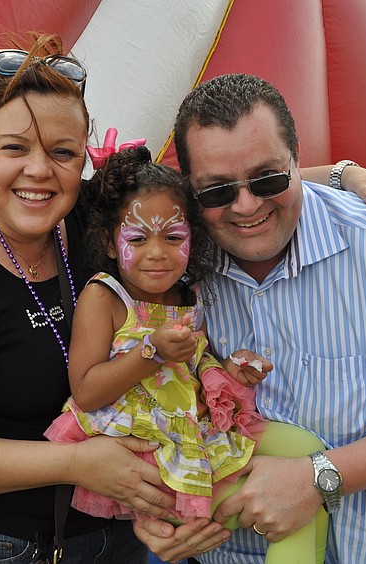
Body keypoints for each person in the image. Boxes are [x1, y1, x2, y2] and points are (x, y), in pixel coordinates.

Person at [0, 31, 366, 563]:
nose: (39, 171)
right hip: (7, 543)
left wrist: (331, 177)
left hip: (117, 528)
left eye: (63, 152)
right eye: (14, 148)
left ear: (83, 160)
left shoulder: (82, 221)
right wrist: (74, 462)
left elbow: (187, 197)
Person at [135, 73, 366, 563]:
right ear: (191, 193)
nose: (246, 206)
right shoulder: (170, 258)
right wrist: (150, 507)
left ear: (297, 162)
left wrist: (321, 475)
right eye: (217, 190)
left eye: (268, 178)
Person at [44, 137, 329, 563]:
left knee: (308, 457)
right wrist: (150, 353)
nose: (157, 253)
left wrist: (232, 371)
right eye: (137, 238)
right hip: (147, 457)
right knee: (296, 506)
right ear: (108, 241)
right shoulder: (104, 299)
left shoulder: (187, 297)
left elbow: (192, 373)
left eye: (173, 236)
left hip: (195, 433)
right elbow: (85, 391)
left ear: (192, 238)